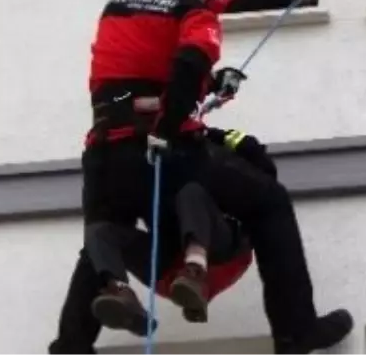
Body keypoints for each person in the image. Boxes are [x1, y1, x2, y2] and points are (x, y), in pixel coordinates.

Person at [66, 0, 351, 355]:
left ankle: (70, 347)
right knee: (268, 202)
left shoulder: (117, 6)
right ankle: (296, 331)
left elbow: (140, 72)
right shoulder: (191, 13)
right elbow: (189, 59)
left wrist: (207, 86)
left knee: (102, 239)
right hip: (167, 150)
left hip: (105, 153)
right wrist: (169, 124)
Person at [50, 138, 259, 354]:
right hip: (170, 269)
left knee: (192, 193)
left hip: (220, 255)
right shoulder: (144, 169)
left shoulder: (206, 157)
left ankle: (195, 270)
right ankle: (120, 292)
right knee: (99, 232)